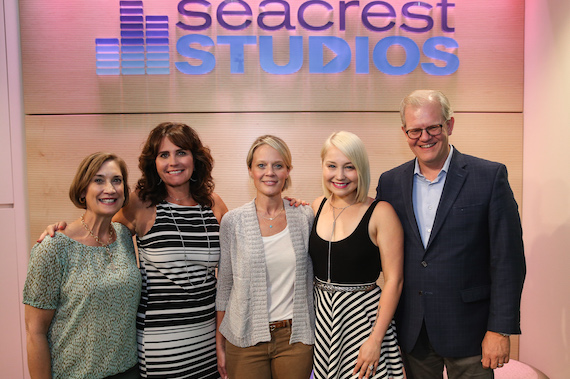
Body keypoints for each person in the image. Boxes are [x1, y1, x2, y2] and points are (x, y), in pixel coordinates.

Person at [40, 122, 229, 379]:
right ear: (154, 163)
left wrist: (290, 205)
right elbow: (98, 233)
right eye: (164, 155)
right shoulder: (142, 203)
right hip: (161, 346)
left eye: (181, 152)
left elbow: (235, 264)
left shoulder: (213, 203)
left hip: (208, 341)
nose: (173, 161)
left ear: (195, 158)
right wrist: (62, 230)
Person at [376, 90, 526, 378]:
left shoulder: (489, 177)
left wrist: (500, 329)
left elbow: (508, 260)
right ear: (404, 132)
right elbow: (374, 235)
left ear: (450, 125)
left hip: (472, 332)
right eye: (415, 130)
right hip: (413, 331)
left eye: (433, 127)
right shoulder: (390, 183)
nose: (424, 137)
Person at [24, 152, 141, 379]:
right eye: (98, 180)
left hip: (129, 371)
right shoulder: (54, 247)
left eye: (116, 180)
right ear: (81, 191)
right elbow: (34, 332)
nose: (110, 188)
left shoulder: (124, 236)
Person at [215, 135, 315, 379]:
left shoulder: (304, 216)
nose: (269, 172)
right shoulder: (233, 222)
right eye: (261, 165)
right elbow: (225, 286)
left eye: (278, 165)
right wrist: (220, 344)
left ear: (288, 170)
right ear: (250, 170)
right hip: (244, 337)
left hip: (296, 338)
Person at [309, 131, 404, 379]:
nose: (339, 175)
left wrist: (375, 340)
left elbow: (395, 280)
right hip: (321, 321)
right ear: (322, 167)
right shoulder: (316, 205)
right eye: (332, 166)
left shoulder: (381, 212)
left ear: (361, 169)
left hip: (363, 322)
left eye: (349, 167)